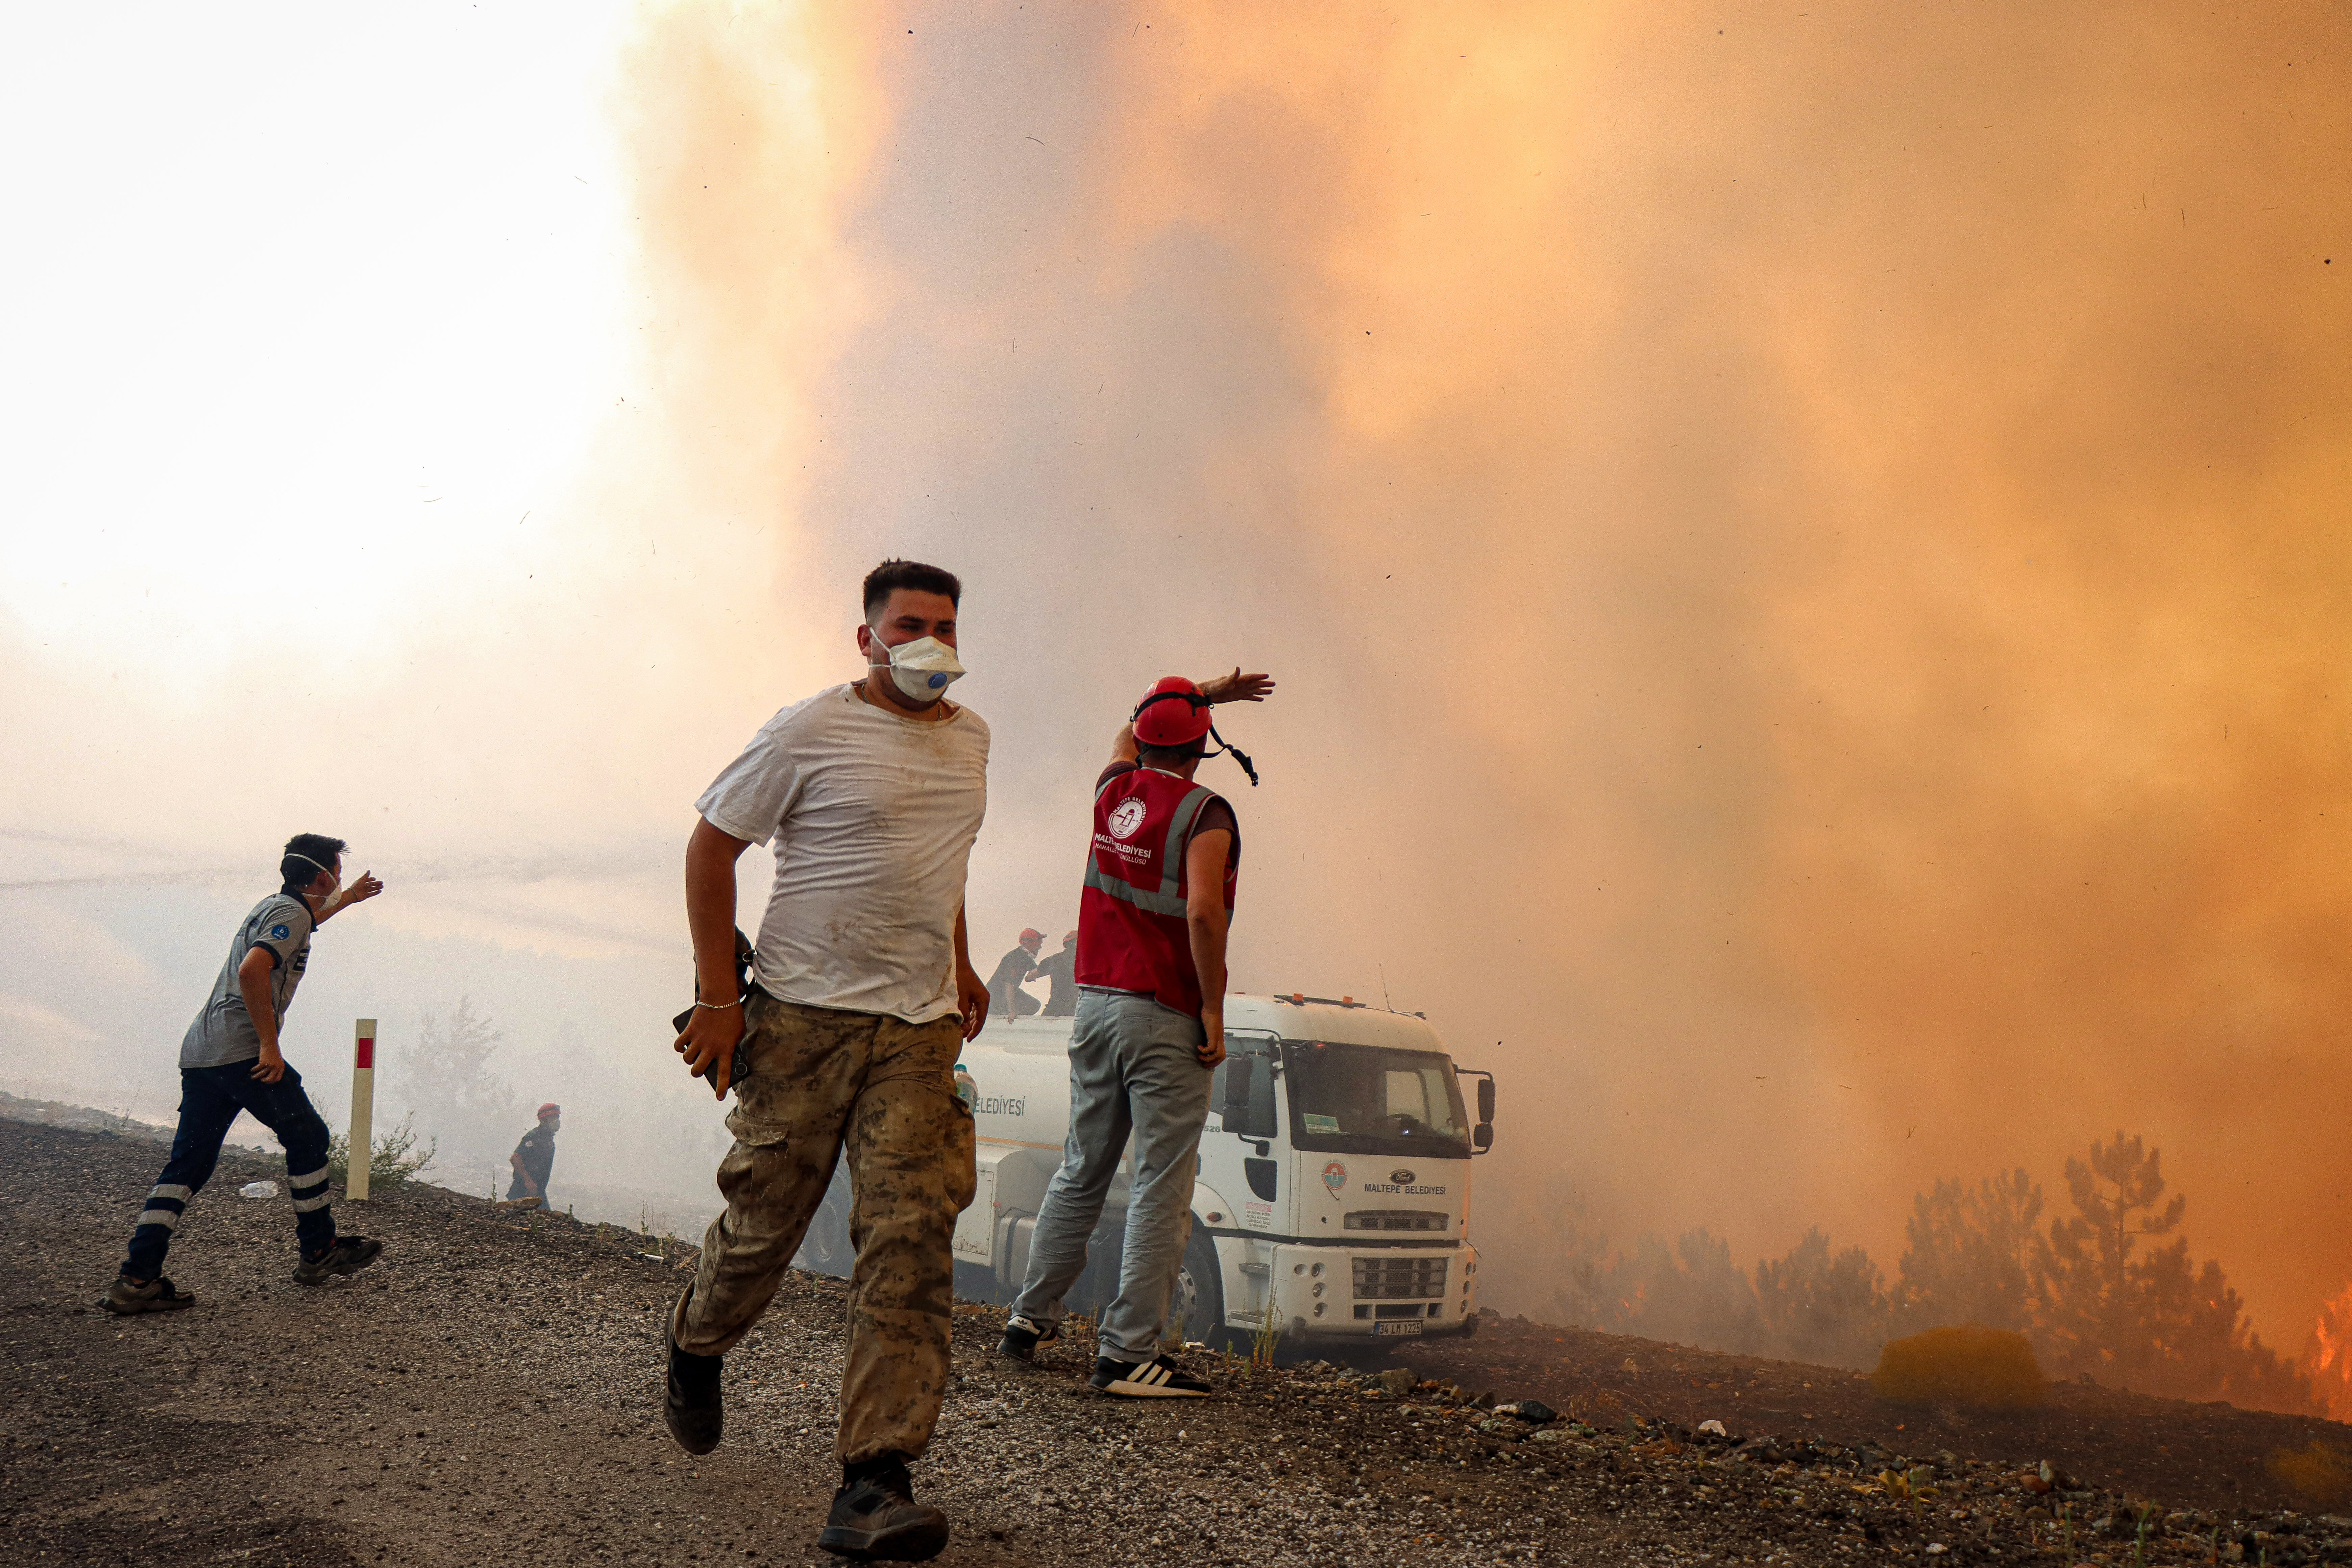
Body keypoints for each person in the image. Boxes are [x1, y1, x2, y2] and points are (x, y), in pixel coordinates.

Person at [668, 558, 991, 1563]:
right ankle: (695, 1338)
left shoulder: (974, 738)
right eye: (907, 625)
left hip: (918, 1030)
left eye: (942, 624)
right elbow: (711, 846)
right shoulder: (807, 729)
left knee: (909, 1235)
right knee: (766, 1223)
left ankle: (873, 1480)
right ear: (867, 638)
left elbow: (943, 859)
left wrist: (963, 960)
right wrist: (721, 999)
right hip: (802, 1020)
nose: (927, 642)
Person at [999, 667, 1272, 1398]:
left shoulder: (1110, 790)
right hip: (1163, 1011)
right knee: (1159, 1181)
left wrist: (1198, 695)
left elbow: (1132, 730)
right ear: (1201, 748)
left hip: (1093, 1006)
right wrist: (1212, 1009)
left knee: (1082, 1165)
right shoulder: (1207, 814)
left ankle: (1029, 1318)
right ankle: (1126, 1356)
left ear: (1145, 739)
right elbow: (1205, 914)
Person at [99, 834, 387, 1314]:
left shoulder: (278, 906)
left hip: (202, 1052)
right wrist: (270, 1045)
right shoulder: (291, 914)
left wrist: (347, 900)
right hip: (241, 1053)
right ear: (321, 875)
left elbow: (302, 922)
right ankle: (319, 1251)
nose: (338, 878)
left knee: (188, 1167)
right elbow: (255, 970)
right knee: (309, 1135)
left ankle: (137, 1279)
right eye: (336, 872)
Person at [507, 1103, 561, 1210]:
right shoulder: (534, 1137)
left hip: (538, 1191)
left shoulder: (549, 1141)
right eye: (553, 1118)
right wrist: (528, 1182)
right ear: (544, 1120)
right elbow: (515, 1158)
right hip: (524, 1190)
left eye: (557, 1117)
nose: (557, 1121)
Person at [986, 929, 1044, 1019]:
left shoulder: (1026, 958)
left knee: (1035, 1005)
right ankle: (1004, 1015)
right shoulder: (1015, 958)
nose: (1040, 947)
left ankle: (1006, 1014)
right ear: (1028, 944)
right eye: (1038, 944)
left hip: (1004, 993)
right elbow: (1009, 986)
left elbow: (1038, 971)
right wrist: (1012, 1011)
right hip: (995, 996)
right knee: (1032, 1006)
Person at [1033, 930, 1079, 1018]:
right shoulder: (1086, 963)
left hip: (1056, 1008)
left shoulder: (1055, 959)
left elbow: (1030, 977)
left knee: (1040, 1028)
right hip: (1077, 1009)